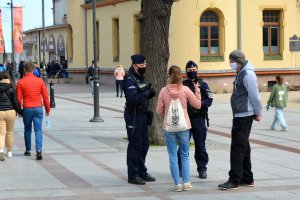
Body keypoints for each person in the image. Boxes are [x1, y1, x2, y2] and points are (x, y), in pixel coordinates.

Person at [218, 50, 262, 190]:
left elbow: (255, 96)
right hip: (240, 114)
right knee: (244, 146)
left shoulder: (248, 74)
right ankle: (247, 178)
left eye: (231, 60)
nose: (229, 63)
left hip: (244, 115)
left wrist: (258, 112)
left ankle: (234, 179)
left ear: (238, 61)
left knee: (237, 147)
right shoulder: (240, 72)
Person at [156, 65, 201, 192]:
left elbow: (158, 110)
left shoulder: (164, 91)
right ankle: (186, 183)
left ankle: (177, 184)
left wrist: (166, 108)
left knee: (172, 155)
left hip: (169, 127)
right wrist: (197, 91)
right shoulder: (185, 90)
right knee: (184, 154)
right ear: (180, 75)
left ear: (169, 76)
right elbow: (198, 105)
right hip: (183, 126)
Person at [122, 54, 156, 185]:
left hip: (142, 115)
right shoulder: (129, 79)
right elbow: (134, 98)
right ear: (134, 66)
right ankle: (133, 174)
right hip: (133, 116)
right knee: (135, 145)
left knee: (144, 145)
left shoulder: (139, 78)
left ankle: (142, 171)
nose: (143, 68)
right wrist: (147, 93)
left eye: (145, 66)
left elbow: (141, 92)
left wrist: (148, 91)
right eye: (141, 66)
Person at [177, 60, 213, 179]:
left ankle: (202, 168)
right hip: (185, 119)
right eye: (189, 70)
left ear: (197, 70)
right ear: (186, 72)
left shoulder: (203, 85)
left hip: (199, 119)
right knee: (183, 145)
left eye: (194, 70)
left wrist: (198, 103)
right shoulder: (182, 85)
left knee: (200, 145)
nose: (192, 72)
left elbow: (209, 100)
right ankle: (180, 168)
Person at [16, 62, 50, 160]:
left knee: (27, 129)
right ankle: (39, 150)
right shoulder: (40, 81)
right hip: (38, 108)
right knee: (38, 130)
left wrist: (19, 111)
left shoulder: (21, 82)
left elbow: (18, 99)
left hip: (27, 108)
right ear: (33, 70)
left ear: (24, 70)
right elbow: (45, 97)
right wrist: (48, 110)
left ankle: (28, 150)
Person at [0, 72, 23, 161]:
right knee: (10, 132)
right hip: (10, 112)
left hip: (0, 112)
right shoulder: (11, 88)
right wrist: (21, 112)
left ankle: (1, 150)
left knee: (1, 133)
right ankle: (9, 151)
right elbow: (16, 103)